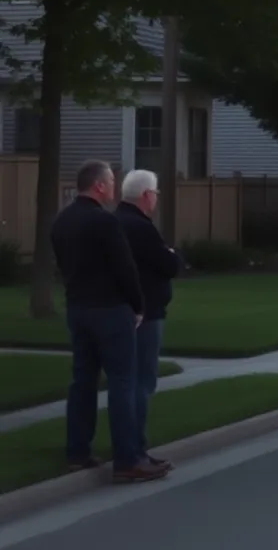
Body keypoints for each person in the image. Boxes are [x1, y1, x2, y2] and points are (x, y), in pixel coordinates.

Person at [50, 160, 169, 484]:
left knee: (83, 379)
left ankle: (77, 451)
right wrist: (137, 304)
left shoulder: (62, 221)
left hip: (78, 307)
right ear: (99, 186)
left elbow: (62, 265)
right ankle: (128, 458)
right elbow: (124, 267)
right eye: (111, 183)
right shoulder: (104, 222)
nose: (114, 188)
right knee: (123, 381)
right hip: (110, 309)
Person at [115, 169, 183, 471]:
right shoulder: (141, 227)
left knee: (127, 382)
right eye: (155, 193)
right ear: (146, 195)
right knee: (141, 383)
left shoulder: (115, 221)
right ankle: (135, 451)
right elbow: (168, 264)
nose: (155, 198)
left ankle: (132, 448)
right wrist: (172, 254)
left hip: (121, 310)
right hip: (146, 312)